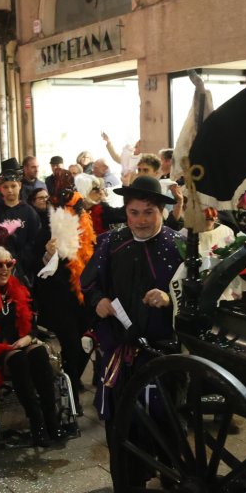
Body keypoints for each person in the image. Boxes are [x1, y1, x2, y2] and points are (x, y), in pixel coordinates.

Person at [82, 176, 183, 418]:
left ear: (162, 210)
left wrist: (170, 299)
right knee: (119, 421)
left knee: (157, 423)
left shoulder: (178, 246)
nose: (141, 220)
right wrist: (98, 300)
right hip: (117, 347)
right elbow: (89, 282)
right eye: (133, 213)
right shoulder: (111, 242)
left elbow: (195, 299)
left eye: (149, 212)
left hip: (161, 355)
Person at [0, 238, 62, 447]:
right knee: (19, 360)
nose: (4, 269)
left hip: (21, 345)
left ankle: (51, 420)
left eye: (9, 264)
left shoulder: (19, 289)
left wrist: (29, 336)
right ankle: (37, 423)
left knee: (39, 353)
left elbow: (32, 322)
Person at [34, 170, 96, 403]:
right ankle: (70, 394)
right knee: (71, 344)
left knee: (87, 341)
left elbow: (91, 256)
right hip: (56, 296)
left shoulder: (84, 224)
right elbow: (32, 261)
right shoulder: (47, 228)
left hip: (82, 295)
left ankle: (71, 377)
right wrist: (46, 255)